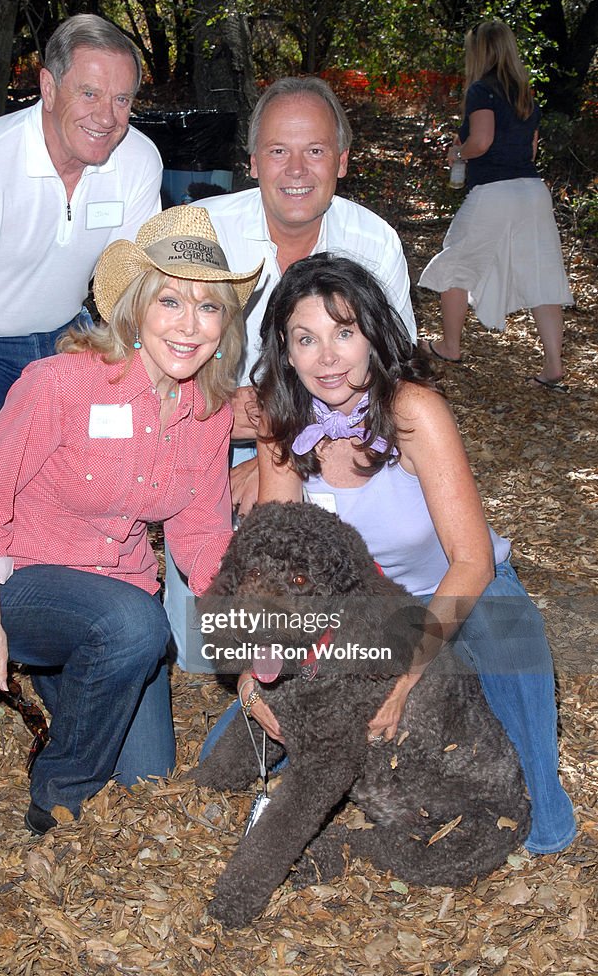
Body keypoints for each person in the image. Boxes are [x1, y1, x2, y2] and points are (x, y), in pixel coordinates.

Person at [211, 252, 573, 856]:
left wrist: (407, 673)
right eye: (307, 338)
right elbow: (271, 575)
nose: (327, 357)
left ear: (373, 334)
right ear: (284, 350)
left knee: (511, 632)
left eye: (344, 333)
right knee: (229, 751)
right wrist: (252, 678)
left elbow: (473, 559)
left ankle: (543, 809)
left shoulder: (413, 412)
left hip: (459, 584)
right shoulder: (284, 422)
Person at [0, 205, 263, 835]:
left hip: (116, 601)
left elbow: (202, 536)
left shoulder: (208, 413)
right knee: (136, 625)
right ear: (136, 310)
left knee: (146, 775)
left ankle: (70, 684)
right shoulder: (61, 383)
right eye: (171, 301)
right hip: (17, 585)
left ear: (225, 325)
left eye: (209, 308)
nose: (189, 324)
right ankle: (57, 791)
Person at [0, 15, 164, 690]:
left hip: (63, 333)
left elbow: (131, 287)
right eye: (90, 94)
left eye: (122, 100)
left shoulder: (138, 160)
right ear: (48, 86)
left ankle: (57, 609)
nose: (107, 117)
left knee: (68, 477)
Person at [164, 76, 418, 669]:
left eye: (316, 151)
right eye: (278, 150)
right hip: (203, 434)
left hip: (336, 432)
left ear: (343, 161)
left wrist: (273, 454)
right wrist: (260, 442)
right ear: (252, 162)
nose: (296, 169)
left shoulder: (373, 243)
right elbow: (156, 380)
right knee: (204, 653)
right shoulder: (203, 235)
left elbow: (393, 379)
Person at [419, 20, 572, 389]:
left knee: (455, 259)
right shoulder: (524, 93)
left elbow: (482, 141)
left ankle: (450, 346)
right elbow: (531, 148)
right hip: (532, 190)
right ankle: (553, 367)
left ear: (480, 51)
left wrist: (458, 151)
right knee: (543, 273)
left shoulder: (481, 90)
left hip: (494, 191)